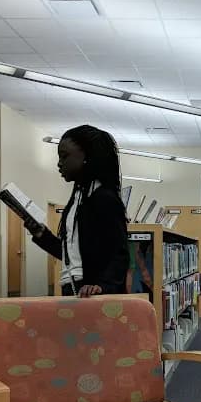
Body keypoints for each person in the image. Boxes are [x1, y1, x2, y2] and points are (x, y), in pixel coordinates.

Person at [24, 125, 129, 297]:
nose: (59, 163)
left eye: (64, 156)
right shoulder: (78, 199)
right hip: (73, 287)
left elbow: (120, 253)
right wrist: (41, 234)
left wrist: (102, 286)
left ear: (87, 156)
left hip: (92, 292)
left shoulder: (104, 198)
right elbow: (70, 254)